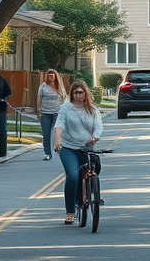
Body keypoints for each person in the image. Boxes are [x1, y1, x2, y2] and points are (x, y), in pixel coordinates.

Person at [53, 80, 103, 225]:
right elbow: (59, 125)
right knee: (73, 176)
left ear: (86, 93)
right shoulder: (66, 108)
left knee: (94, 173)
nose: (79, 95)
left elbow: (98, 127)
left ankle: (94, 197)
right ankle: (70, 211)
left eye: (81, 92)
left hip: (86, 149)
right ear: (72, 94)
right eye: (76, 92)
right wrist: (57, 141)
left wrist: (95, 137)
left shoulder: (92, 109)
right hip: (68, 148)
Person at [38, 68, 66, 160]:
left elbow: (64, 99)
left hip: (57, 113)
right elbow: (39, 98)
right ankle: (47, 153)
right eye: (49, 75)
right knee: (46, 134)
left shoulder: (59, 87)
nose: (50, 77)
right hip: (45, 113)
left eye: (52, 75)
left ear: (55, 76)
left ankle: (57, 149)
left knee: (56, 133)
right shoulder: (43, 86)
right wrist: (39, 111)